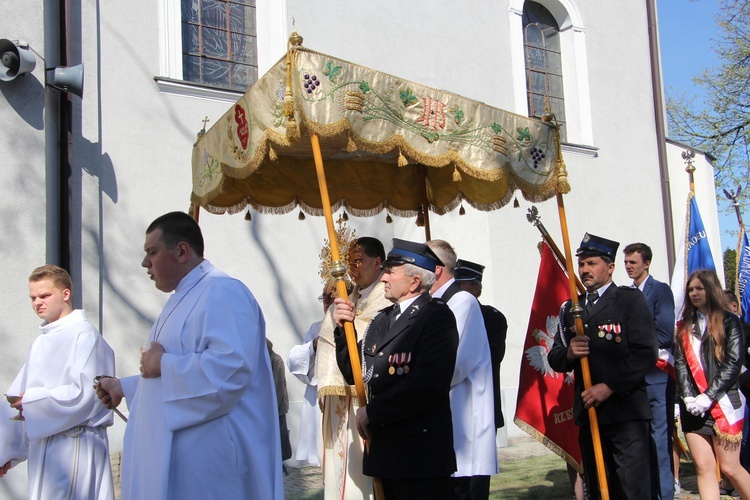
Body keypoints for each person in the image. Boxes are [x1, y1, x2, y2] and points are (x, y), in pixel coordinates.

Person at [95, 211, 283, 500]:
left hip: (210, 463)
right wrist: (126, 388)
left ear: (182, 251)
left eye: (152, 252)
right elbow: (171, 375)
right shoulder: (182, 298)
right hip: (186, 461)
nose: (145, 263)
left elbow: (229, 372)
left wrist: (161, 362)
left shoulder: (223, 291)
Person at [333, 238, 459, 499]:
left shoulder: (436, 316)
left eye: (390, 271)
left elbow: (427, 384)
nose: (383, 279)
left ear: (414, 281)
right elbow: (355, 371)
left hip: (420, 456)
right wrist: (343, 329)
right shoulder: (383, 318)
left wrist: (373, 413)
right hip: (387, 453)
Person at [548, 232, 658, 499]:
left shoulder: (629, 300)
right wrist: (570, 354)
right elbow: (554, 356)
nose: (585, 270)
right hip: (590, 412)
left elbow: (645, 352)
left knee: (631, 489)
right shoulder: (572, 308)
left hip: (625, 411)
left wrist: (609, 386)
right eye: (582, 264)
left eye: (592, 263)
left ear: (609, 268)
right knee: (599, 488)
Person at [1, 264, 116, 499]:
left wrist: (32, 401)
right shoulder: (40, 344)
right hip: (45, 447)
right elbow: (16, 400)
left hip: (75, 444)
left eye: (44, 295)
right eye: (33, 297)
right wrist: (4, 454)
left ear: (66, 294)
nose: (37, 303)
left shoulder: (84, 335)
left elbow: (86, 393)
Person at [315, 236, 391, 500]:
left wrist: (348, 324)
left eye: (359, 261)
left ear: (377, 262)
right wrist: (336, 321)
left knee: (366, 478)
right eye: (350, 262)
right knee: (343, 471)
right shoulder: (351, 298)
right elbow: (327, 340)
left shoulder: (388, 298)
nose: (352, 268)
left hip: (369, 400)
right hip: (341, 405)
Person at [426, 240, 498, 500]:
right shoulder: (433, 302)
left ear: (435, 269)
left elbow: (453, 363)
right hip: (442, 423)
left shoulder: (462, 301)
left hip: (464, 424)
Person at [674, 269, 750, 499]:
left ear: (711, 289)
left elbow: (734, 363)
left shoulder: (729, 321)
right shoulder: (684, 325)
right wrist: (688, 396)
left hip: (723, 402)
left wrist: (708, 396)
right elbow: (681, 365)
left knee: (729, 468)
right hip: (693, 407)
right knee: (703, 467)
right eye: (690, 290)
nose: (694, 293)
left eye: (700, 288)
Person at [623, 242, 676, 500]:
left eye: (633, 262)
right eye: (626, 262)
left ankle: (665, 495)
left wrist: (632, 343)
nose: (629, 267)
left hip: (657, 377)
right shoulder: (627, 294)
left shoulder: (660, 291)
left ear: (647, 263)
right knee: (640, 444)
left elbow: (665, 333)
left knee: (660, 442)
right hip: (635, 380)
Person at [453, 258, 507, 499]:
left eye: (463, 286)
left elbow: (490, 357)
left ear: (477, 288)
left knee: (475, 485)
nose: (458, 292)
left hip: (479, 405)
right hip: (450, 410)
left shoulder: (491, 318)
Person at [287, 289, 334, 467]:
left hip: (343, 397)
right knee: (323, 458)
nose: (327, 302)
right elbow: (295, 362)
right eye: (325, 297)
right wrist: (314, 345)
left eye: (332, 296)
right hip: (318, 398)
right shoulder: (316, 328)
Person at [267, 338, 292, 473]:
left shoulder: (275, 360)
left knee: (280, 435)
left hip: (277, 406)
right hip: (268, 406)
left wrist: (273, 407)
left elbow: (278, 387)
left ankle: (281, 463)